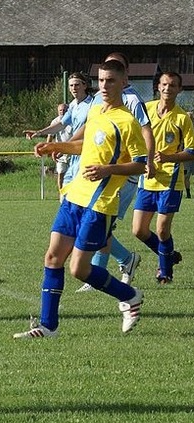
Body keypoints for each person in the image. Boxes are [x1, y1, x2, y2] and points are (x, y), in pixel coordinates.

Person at [14, 60, 147, 339]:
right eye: (101, 80)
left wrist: (107, 170)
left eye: (111, 81)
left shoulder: (127, 122)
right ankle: (48, 326)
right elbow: (86, 145)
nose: (104, 86)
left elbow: (140, 164)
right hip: (75, 195)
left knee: (79, 269)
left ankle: (129, 295)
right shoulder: (96, 110)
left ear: (123, 82)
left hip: (100, 203)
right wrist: (56, 146)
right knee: (53, 257)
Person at [73, 52, 157, 292]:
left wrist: (149, 161)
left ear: (124, 75)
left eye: (113, 74)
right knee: (94, 223)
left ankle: (99, 272)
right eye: (102, 78)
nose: (105, 82)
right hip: (96, 171)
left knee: (101, 224)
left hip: (122, 174)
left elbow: (146, 130)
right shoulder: (99, 100)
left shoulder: (132, 100)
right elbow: (89, 127)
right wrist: (65, 145)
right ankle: (124, 260)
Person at [132, 72, 194, 284]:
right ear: (158, 87)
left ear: (179, 90)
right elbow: (134, 135)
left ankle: (165, 272)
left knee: (161, 230)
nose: (168, 88)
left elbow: (191, 151)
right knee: (138, 230)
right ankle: (169, 255)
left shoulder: (182, 118)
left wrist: (169, 157)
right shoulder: (146, 110)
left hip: (170, 181)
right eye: (164, 84)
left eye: (173, 85)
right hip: (147, 178)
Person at [24, 72, 94, 194]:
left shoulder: (92, 104)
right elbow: (61, 124)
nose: (74, 88)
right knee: (67, 191)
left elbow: (87, 129)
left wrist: (63, 147)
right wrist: (39, 132)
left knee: (81, 193)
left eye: (77, 85)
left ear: (85, 85)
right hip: (74, 153)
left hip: (87, 152)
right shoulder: (73, 105)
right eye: (71, 85)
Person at [45, 103, 71, 192]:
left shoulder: (73, 120)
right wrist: (47, 149)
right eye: (60, 110)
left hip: (73, 151)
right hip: (60, 153)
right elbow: (50, 136)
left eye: (64, 110)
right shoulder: (55, 122)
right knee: (61, 173)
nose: (62, 112)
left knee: (75, 174)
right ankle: (61, 193)